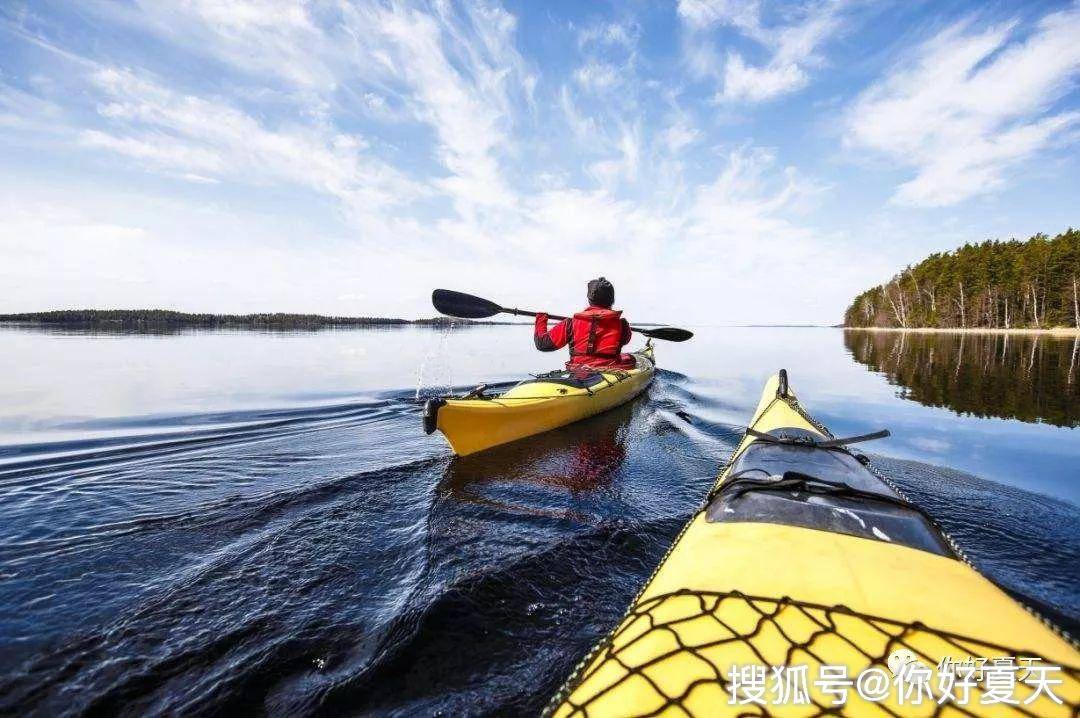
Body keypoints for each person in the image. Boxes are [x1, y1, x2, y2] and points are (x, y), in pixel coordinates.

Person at [534, 277, 637, 370]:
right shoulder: (622, 325)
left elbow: (542, 344)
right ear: (612, 300)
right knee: (630, 359)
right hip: (610, 370)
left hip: (578, 371)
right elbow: (625, 340)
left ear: (589, 300)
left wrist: (541, 319)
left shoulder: (570, 324)